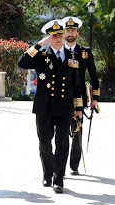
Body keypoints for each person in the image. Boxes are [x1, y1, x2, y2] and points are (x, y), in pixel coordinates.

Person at [17, 19, 83, 194]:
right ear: (48, 37)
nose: (59, 38)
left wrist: (78, 108)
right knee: (45, 142)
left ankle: (58, 178)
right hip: (44, 107)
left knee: (62, 143)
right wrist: (37, 45)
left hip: (64, 106)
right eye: (54, 36)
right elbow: (22, 63)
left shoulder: (72, 56)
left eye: (60, 34)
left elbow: (77, 84)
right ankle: (48, 173)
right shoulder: (40, 54)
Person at [61, 16, 100, 175]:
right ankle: (60, 165)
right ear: (64, 32)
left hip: (79, 98)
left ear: (77, 33)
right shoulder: (58, 51)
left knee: (77, 131)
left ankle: (74, 164)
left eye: (73, 30)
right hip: (61, 96)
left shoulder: (85, 52)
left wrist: (94, 98)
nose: (70, 33)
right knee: (61, 133)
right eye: (68, 30)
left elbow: (93, 76)